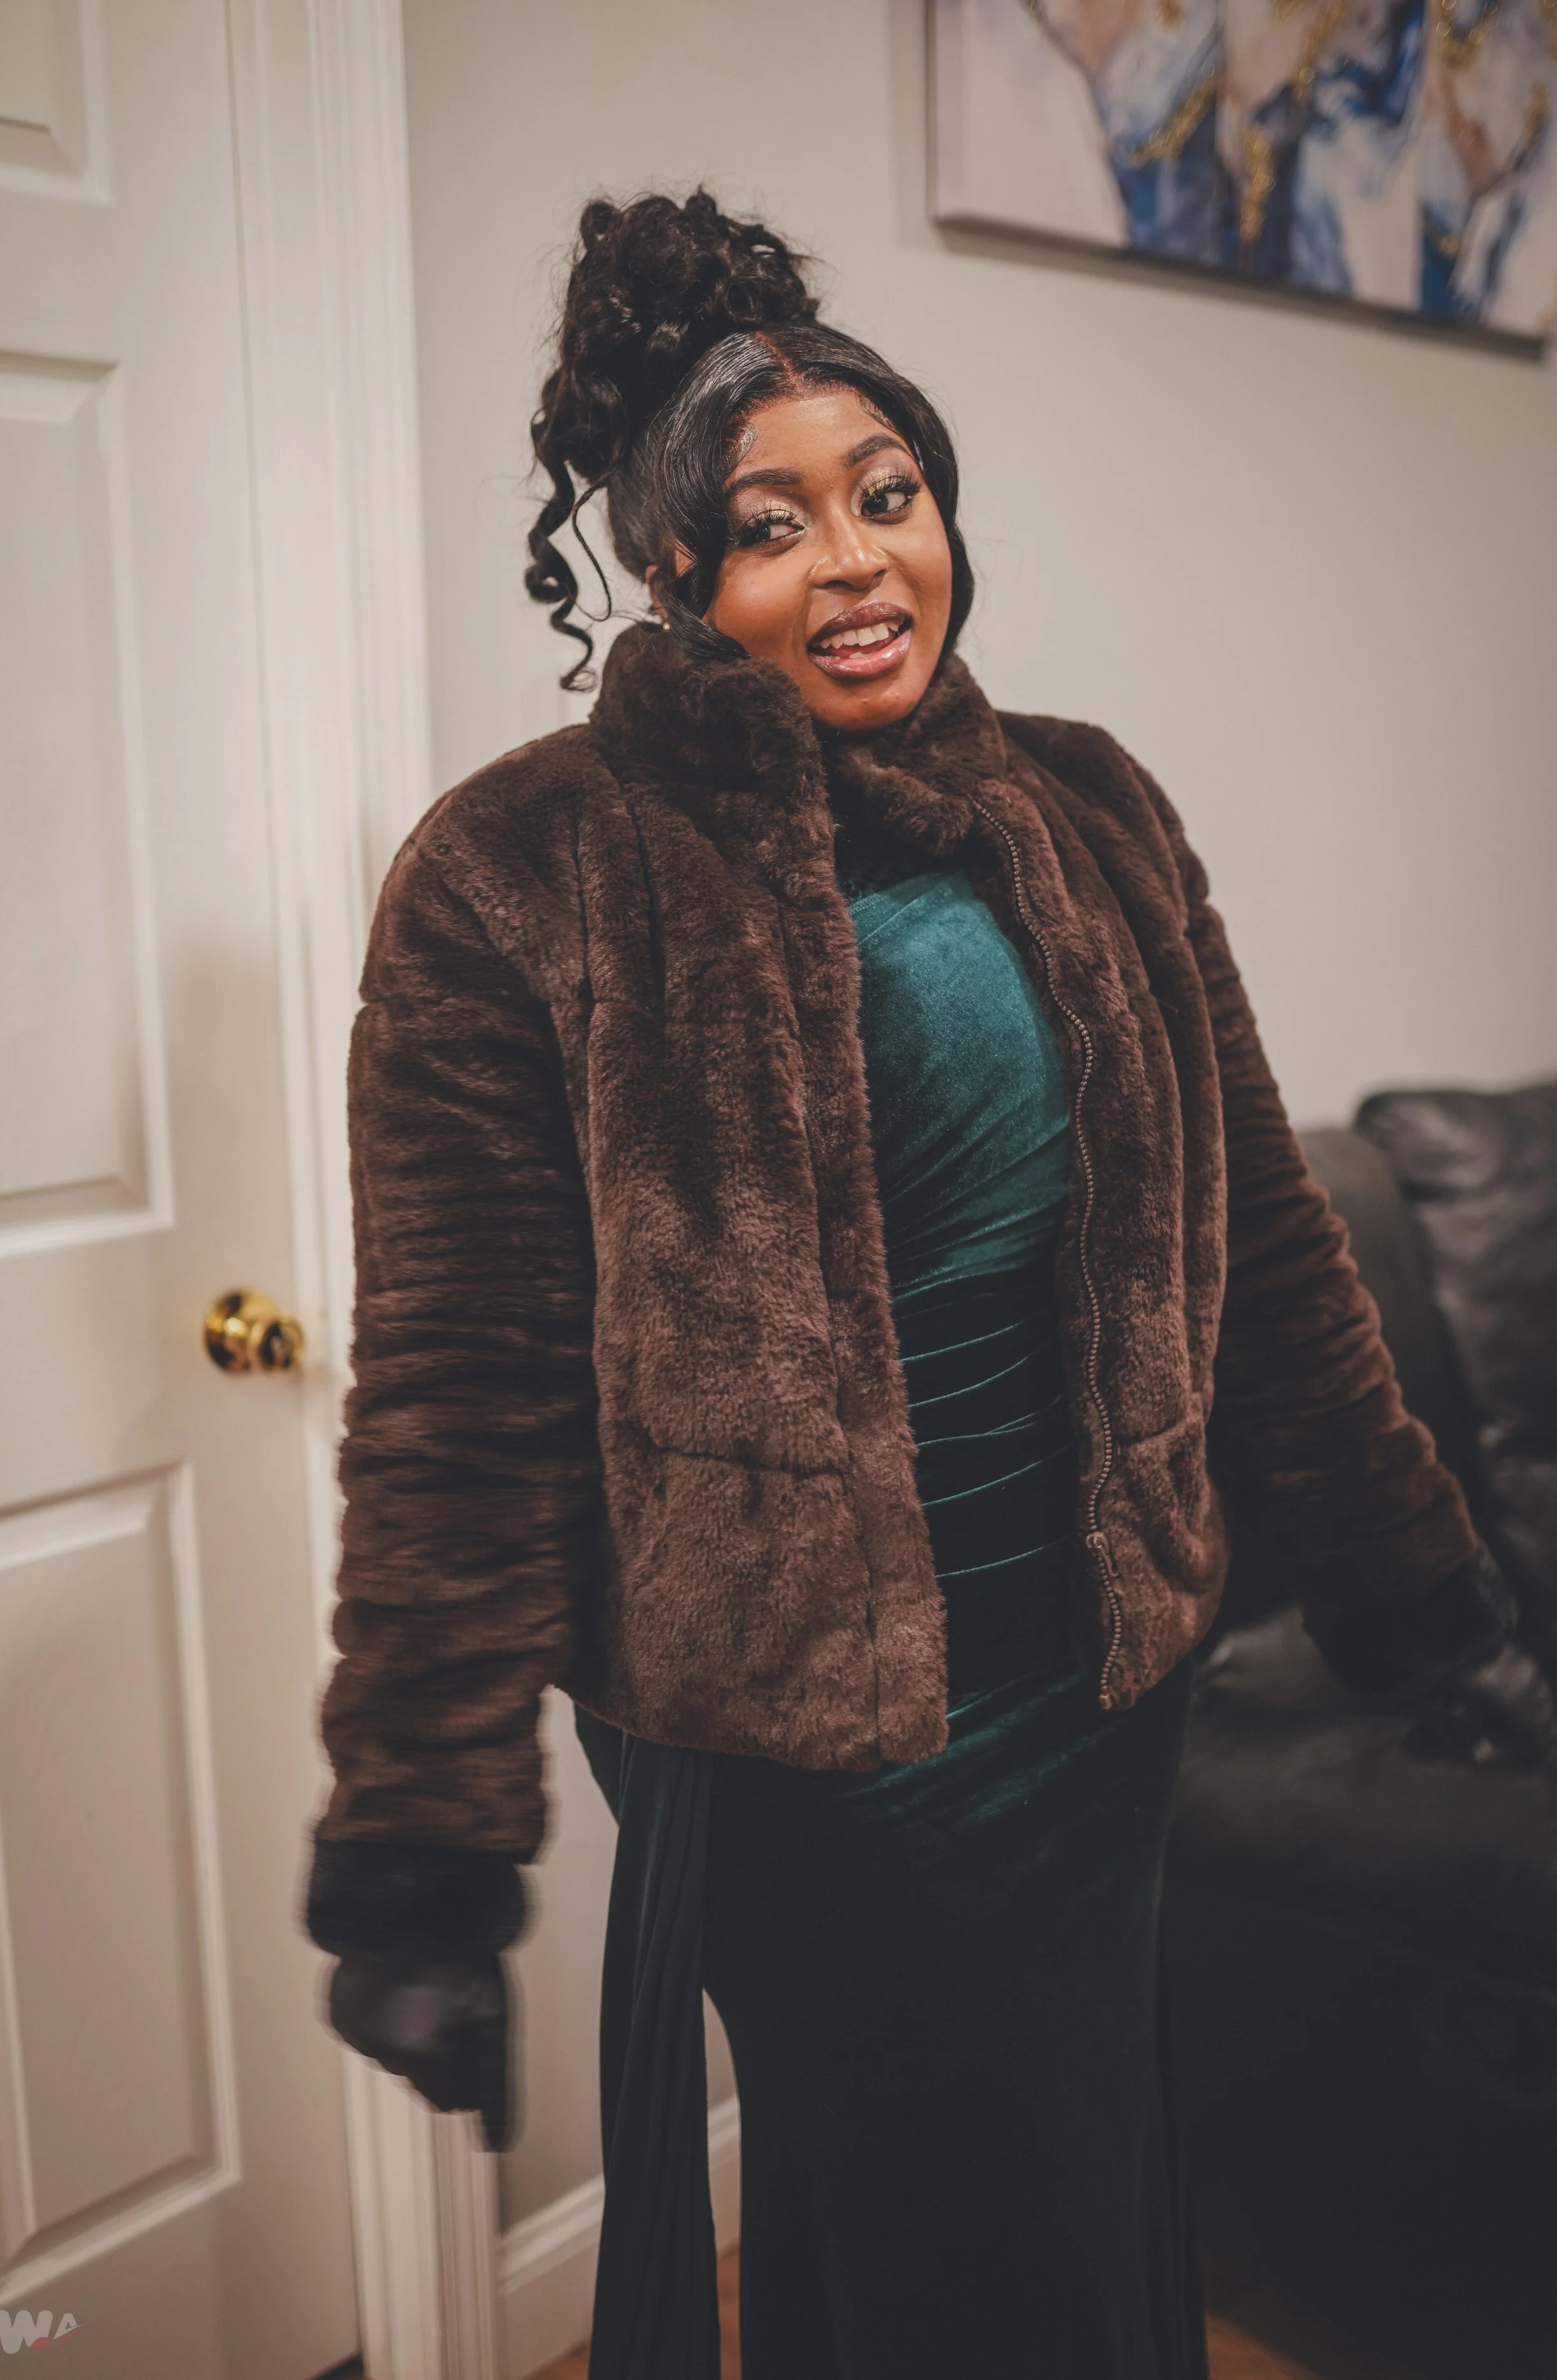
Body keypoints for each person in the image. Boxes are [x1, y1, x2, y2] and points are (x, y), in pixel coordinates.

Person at [303, 191, 1554, 2380]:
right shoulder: (520, 876)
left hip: (1096, 1679)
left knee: (1061, 2200)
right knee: (938, 2217)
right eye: (774, 523)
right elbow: (459, 1390)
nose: (858, 560)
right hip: (805, 1752)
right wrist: (420, 1831)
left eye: (889, 496)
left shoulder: (1092, 814)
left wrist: (1424, 1605)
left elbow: (1263, 1242)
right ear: (676, 578)